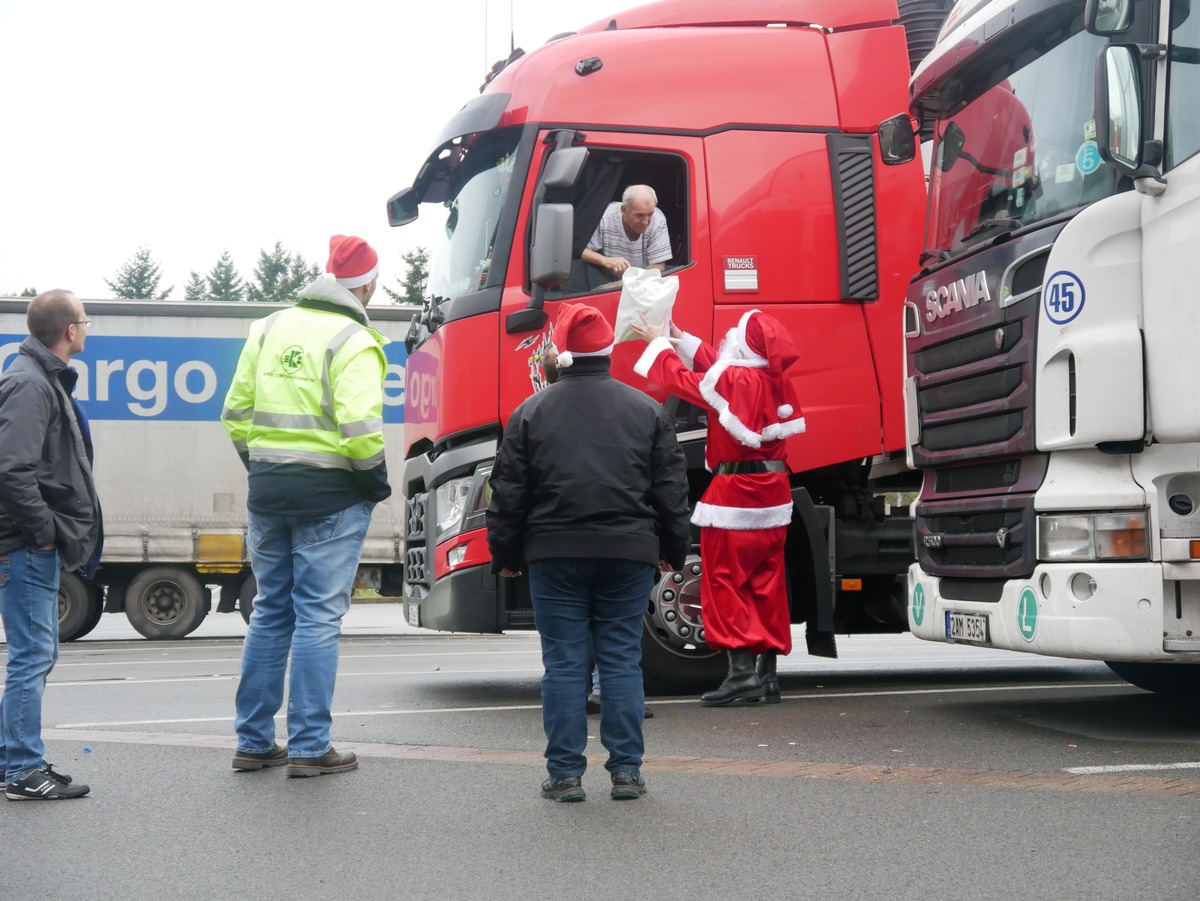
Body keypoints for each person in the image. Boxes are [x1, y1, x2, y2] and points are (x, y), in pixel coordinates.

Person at [487, 302, 690, 802]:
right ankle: (626, 772)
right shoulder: (646, 410)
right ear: (607, 350)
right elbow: (670, 489)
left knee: (564, 664)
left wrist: (506, 553)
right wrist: (672, 549)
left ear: (562, 353)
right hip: (628, 553)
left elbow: (508, 493)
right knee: (621, 660)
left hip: (554, 554)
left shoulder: (529, 412)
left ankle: (565, 774)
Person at [221, 235, 390, 778]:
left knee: (271, 612)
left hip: (269, 494)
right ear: (366, 284)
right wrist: (376, 484)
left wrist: (264, 468)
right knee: (318, 618)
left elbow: (234, 413)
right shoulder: (354, 339)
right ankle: (310, 747)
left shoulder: (266, 328)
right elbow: (362, 430)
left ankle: (252, 742)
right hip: (331, 498)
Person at [631, 310, 806, 706]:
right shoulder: (771, 378)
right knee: (767, 583)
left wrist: (658, 343)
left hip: (735, 493)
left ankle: (741, 674)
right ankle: (767, 676)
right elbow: (722, 371)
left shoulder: (736, 380)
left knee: (725, 582)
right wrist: (679, 336)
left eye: (734, 337)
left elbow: (688, 382)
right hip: (774, 493)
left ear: (745, 345)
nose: (728, 340)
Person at [0, 290, 101, 800]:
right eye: (85, 321)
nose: (87, 328)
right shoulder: (29, 384)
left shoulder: (37, 378)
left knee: (35, 652)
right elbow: (12, 470)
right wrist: (42, 533)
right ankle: (21, 769)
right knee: (32, 655)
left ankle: (18, 762)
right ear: (69, 331)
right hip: (24, 545)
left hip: (27, 543)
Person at [581, 184, 672, 279]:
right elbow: (580, 251)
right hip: (605, 276)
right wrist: (606, 261)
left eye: (650, 214)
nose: (645, 222)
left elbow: (658, 266)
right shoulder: (605, 217)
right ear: (623, 210)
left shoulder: (658, 219)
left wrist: (621, 285)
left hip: (642, 281)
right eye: (639, 215)